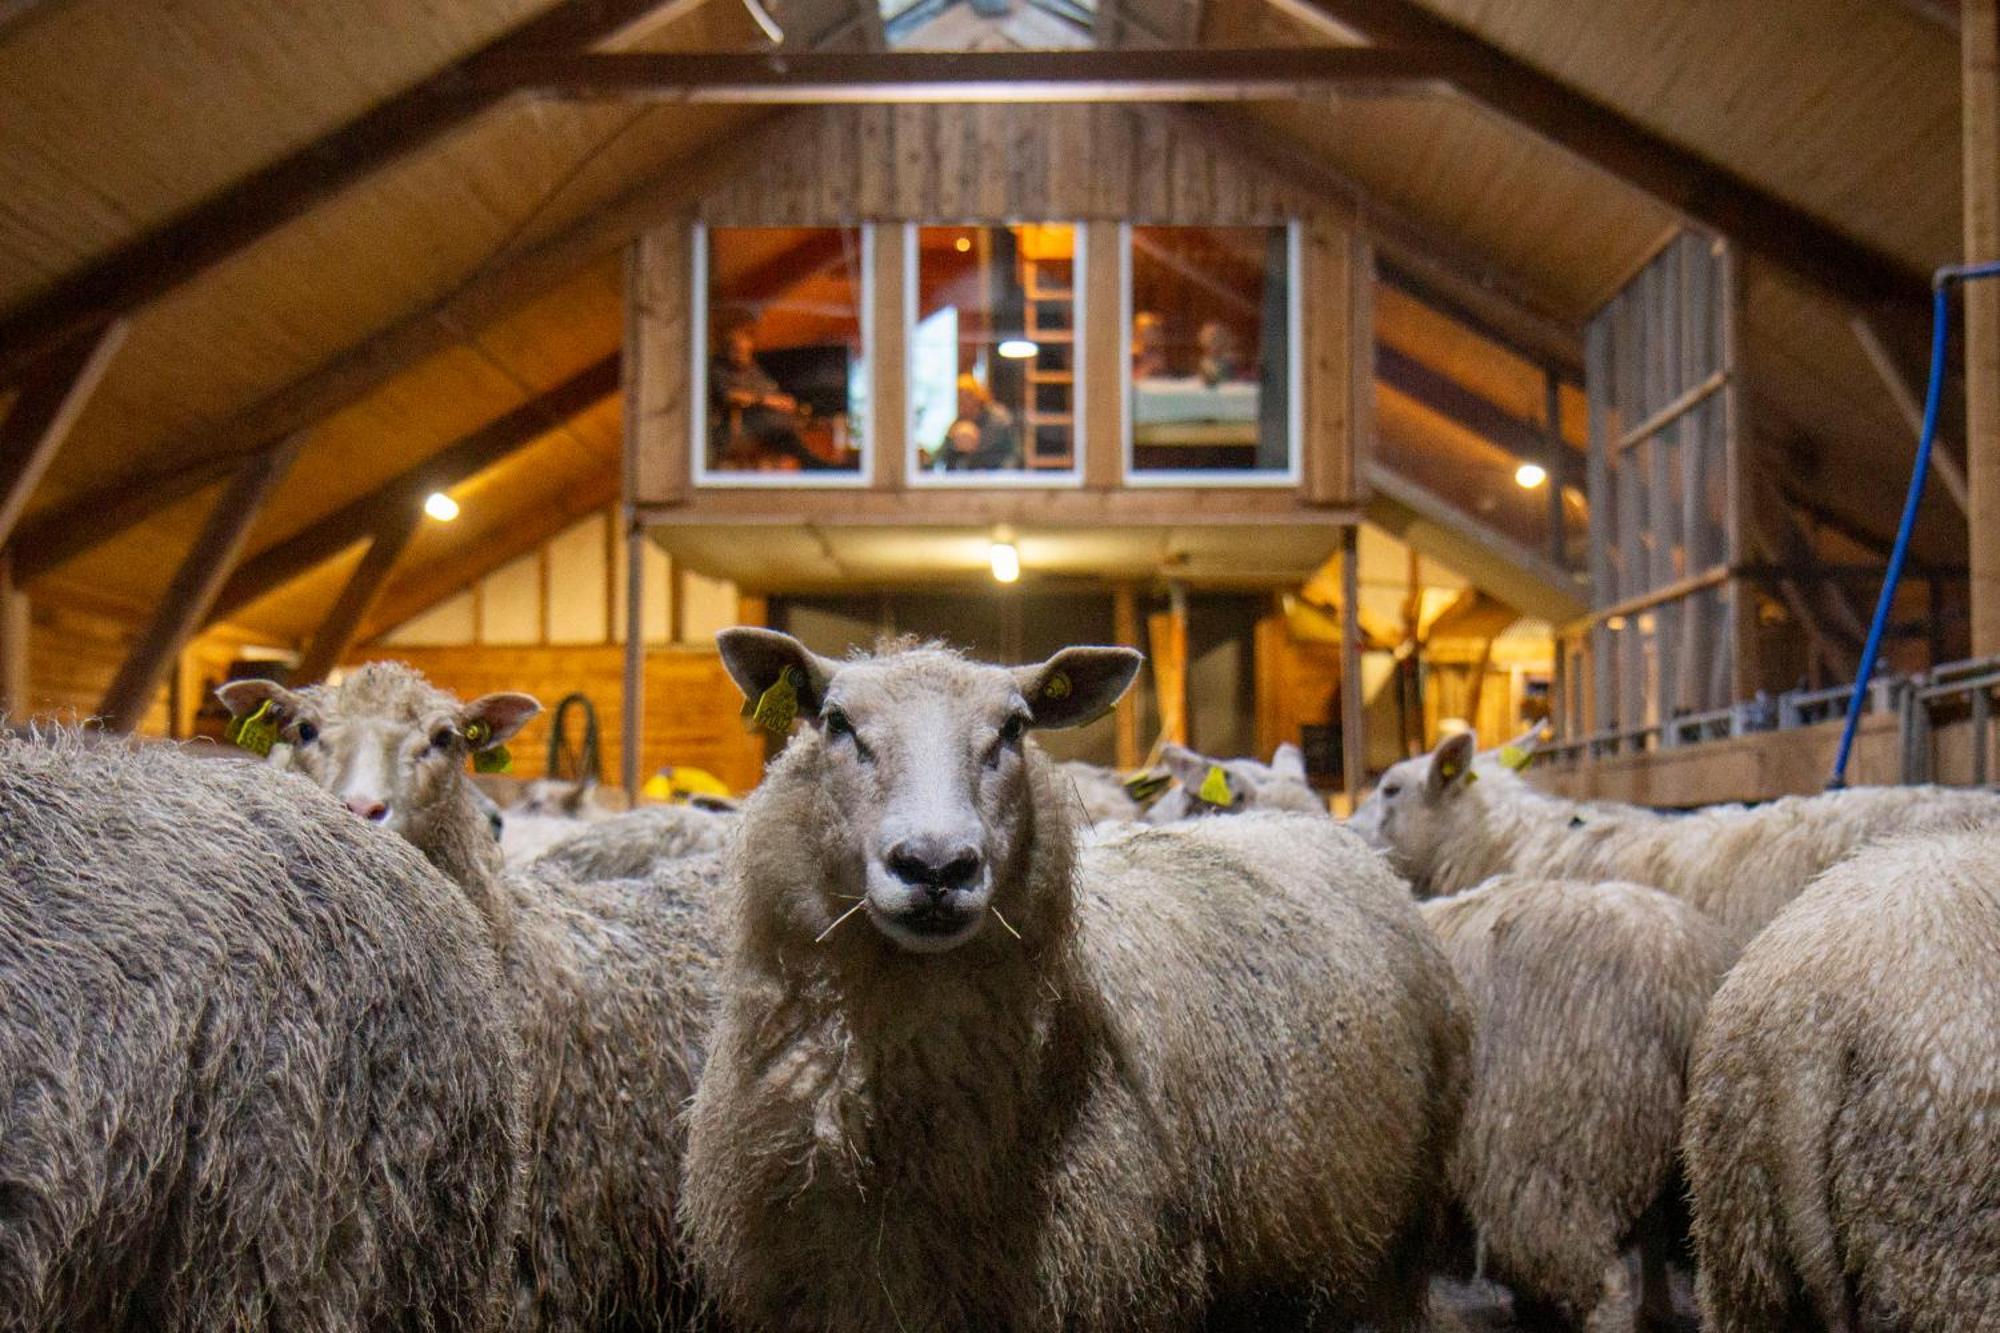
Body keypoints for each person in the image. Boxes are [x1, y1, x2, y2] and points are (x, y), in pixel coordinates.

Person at [709, 319, 829, 471]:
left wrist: (783, 401)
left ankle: (813, 465)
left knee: (802, 429)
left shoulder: (752, 368)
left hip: (772, 422)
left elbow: (770, 388)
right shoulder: (717, 369)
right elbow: (731, 396)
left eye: (747, 351)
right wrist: (767, 400)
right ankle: (816, 467)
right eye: (738, 350)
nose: (744, 356)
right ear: (728, 349)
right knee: (784, 434)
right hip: (741, 425)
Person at [929, 374, 1021, 472]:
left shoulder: (1000, 420)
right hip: (964, 482)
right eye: (959, 398)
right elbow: (940, 458)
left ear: (978, 396)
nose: (963, 402)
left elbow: (1014, 455)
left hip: (995, 480)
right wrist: (953, 445)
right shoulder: (958, 424)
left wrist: (1000, 477)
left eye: (967, 396)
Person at [1131, 310, 1168, 379]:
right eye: (1149, 330)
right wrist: (1147, 365)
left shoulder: (1155, 352)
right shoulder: (1133, 354)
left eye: (1156, 330)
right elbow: (1130, 379)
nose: (1154, 334)